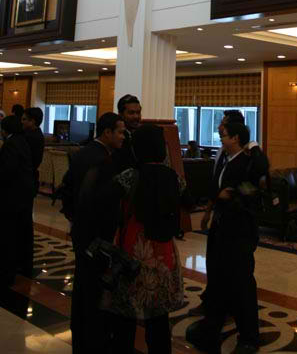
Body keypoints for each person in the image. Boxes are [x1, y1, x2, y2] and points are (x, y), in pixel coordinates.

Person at [99, 124, 184, 354]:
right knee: (158, 320)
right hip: (163, 253)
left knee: (126, 317)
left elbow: (104, 197)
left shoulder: (130, 176)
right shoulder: (173, 177)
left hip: (133, 252)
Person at [186, 122, 261, 354]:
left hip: (239, 233)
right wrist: (209, 211)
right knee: (218, 280)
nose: (220, 139)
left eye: (223, 135)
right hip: (222, 230)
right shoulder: (226, 161)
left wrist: (233, 194)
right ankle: (211, 328)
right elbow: (216, 190)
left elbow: (254, 192)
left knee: (241, 284)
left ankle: (249, 337)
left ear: (236, 138)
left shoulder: (247, 163)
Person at [65, 112, 126, 354]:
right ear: (107, 132)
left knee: (83, 284)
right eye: (120, 132)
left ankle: (81, 334)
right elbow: (100, 203)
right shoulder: (103, 160)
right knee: (92, 287)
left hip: (82, 231)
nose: (123, 136)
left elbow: (68, 188)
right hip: (96, 236)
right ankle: (92, 339)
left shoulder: (84, 153)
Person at [0, 115, 35, 286]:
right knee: (22, 229)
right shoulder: (22, 141)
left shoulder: (11, 143)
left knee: (10, 232)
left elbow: (8, 170)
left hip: (13, 195)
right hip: (25, 193)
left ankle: (9, 270)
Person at [112, 94, 142, 173]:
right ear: (120, 114)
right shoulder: (115, 138)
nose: (136, 116)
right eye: (131, 113)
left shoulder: (142, 135)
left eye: (138, 112)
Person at [22, 107, 45, 195]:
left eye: (24, 119)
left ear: (32, 121)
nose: (22, 122)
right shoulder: (36, 134)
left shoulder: (30, 137)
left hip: (26, 178)